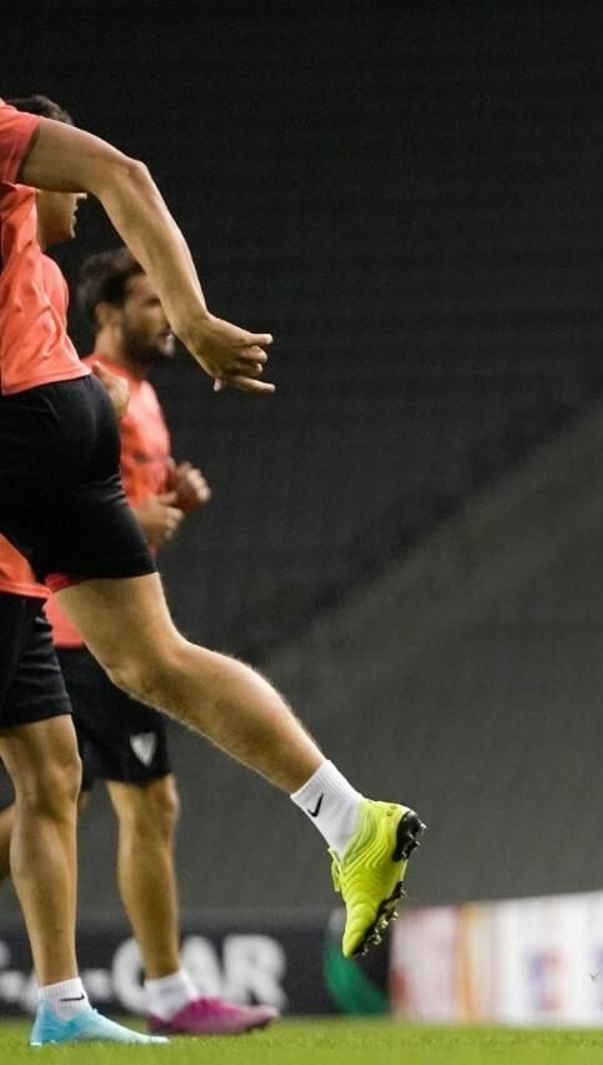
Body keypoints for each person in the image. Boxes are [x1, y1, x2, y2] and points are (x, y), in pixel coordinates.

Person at [0, 95, 422, 1045]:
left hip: (19, 425)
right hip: (60, 412)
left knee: (75, 777)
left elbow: (124, 174)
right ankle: (351, 820)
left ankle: (143, 985)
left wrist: (188, 316)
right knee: (143, 667)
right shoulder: (46, 285)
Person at [0, 238, 278, 1035]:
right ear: (108, 313)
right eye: (151, 302)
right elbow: (57, 498)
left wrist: (168, 507)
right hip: (83, 637)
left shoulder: (141, 398)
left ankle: (139, 993)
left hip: (76, 631)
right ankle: (169, 991)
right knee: (142, 804)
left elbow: (117, 514)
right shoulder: (88, 391)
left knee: (57, 797)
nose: (165, 316)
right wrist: (135, 517)